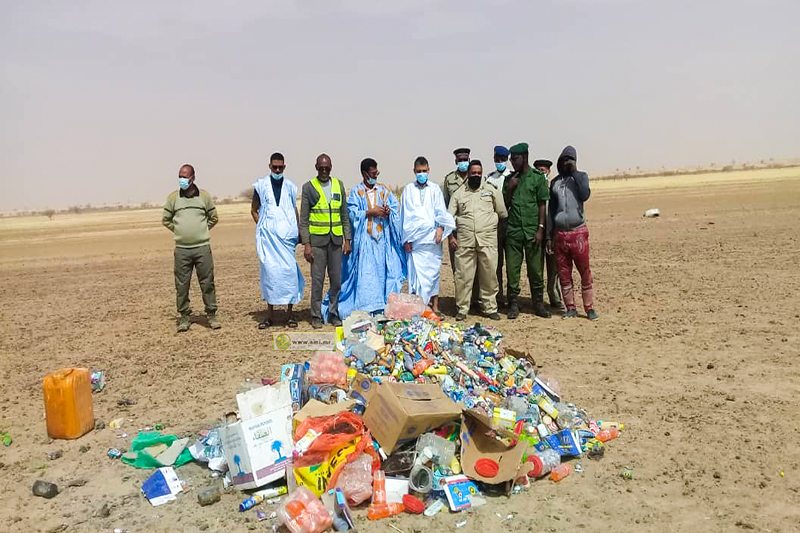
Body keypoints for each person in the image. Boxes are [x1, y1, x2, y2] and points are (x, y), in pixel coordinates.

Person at [326, 158, 406, 320]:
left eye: (377, 173)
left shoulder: (384, 191)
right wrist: (369, 213)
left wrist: (389, 212)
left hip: (382, 243)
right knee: (366, 274)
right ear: (364, 173)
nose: (375, 175)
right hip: (364, 244)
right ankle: (365, 306)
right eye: (372, 173)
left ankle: (380, 307)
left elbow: (396, 211)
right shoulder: (356, 192)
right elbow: (351, 214)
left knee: (381, 273)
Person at [161, 164, 220, 332]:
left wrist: (201, 230)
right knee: (182, 285)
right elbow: (166, 219)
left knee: (207, 282)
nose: (182, 179)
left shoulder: (204, 197)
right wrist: (179, 230)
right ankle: (184, 317)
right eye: (180, 176)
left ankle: (211, 315)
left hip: (202, 247)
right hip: (182, 249)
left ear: (193, 178)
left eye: (185, 176)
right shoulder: (173, 198)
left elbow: (213, 218)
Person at [447, 160, 507, 321]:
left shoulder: (491, 191)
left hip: (487, 241)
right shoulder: (459, 194)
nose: (476, 176)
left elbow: (502, 214)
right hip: (465, 241)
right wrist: (451, 236)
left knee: (489, 276)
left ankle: (490, 307)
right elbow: (448, 218)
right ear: (468, 174)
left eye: (479, 173)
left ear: (482, 174)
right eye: (473, 173)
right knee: (463, 277)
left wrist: (494, 233)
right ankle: (462, 308)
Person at [251, 152, 304, 329]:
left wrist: (298, 231)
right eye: (275, 167)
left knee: (289, 273)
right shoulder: (261, 185)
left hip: (287, 240)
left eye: (280, 167)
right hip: (269, 241)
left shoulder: (290, 186)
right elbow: (254, 210)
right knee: (270, 274)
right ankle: (270, 315)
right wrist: (263, 228)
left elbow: (293, 209)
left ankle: (290, 315)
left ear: (284, 167)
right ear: (269, 166)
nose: (278, 169)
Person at [299, 154, 352, 329]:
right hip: (317, 243)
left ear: (331, 167)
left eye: (326, 168)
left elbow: (344, 215)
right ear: (316, 167)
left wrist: (347, 239)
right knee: (318, 281)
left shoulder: (338, 185)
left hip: (336, 241)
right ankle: (315, 315)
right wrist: (306, 244)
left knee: (336, 281)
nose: (324, 171)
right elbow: (304, 220)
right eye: (321, 168)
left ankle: (333, 313)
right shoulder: (309, 187)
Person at [546, 146, 598, 320]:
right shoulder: (555, 183)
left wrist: (574, 172)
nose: (566, 163)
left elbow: (584, 195)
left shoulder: (581, 177)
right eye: (564, 160)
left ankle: (589, 308)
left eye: (570, 160)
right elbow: (551, 211)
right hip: (560, 234)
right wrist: (549, 235)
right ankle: (570, 307)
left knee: (584, 271)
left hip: (578, 232)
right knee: (563, 273)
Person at [401, 156, 455, 318]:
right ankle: (417, 308)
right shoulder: (408, 189)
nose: (422, 174)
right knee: (415, 276)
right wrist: (406, 239)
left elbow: (440, 211)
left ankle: (435, 307)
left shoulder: (435, 189)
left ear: (429, 170)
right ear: (414, 172)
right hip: (415, 242)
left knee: (433, 274)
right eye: (419, 172)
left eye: (424, 171)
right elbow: (405, 216)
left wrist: (440, 228)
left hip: (432, 239)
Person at [504, 143, 551, 319]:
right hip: (514, 231)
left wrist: (540, 229)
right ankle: (513, 304)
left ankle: (538, 304)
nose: (512, 162)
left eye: (515, 158)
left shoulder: (537, 178)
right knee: (512, 269)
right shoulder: (510, 179)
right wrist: (510, 188)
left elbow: (542, 204)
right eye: (511, 159)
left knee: (535, 269)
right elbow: (505, 204)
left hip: (532, 231)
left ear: (524, 157)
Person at [533, 158, 564, 312]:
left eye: (543, 170)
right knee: (537, 268)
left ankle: (554, 297)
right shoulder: (533, 188)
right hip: (537, 234)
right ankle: (537, 299)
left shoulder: (554, 188)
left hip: (552, 234)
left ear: (549, 172)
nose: (541, 173)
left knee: (554, 269)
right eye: (538, 170)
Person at [485, 145, 513, 307]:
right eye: (497, 160)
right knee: (496, 264)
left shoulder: (512, 176)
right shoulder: (490, 178)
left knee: (511, 263)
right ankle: (498, 296)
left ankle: (511, 297)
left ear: (507, 159)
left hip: (510, 225)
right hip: (495, 226)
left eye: (502, 160)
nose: (500, 162)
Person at [441, 148, 471, 285]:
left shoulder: (475, 177)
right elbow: (445, 209)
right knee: (457, 268)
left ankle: (474, 300)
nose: (463, 162)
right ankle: (459, 300)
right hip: (456, 231)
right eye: (460, 160)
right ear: (456, 161)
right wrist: (450, 235)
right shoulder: (449, 180)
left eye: (465, 160)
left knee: (473, 268)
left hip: (472, 230)